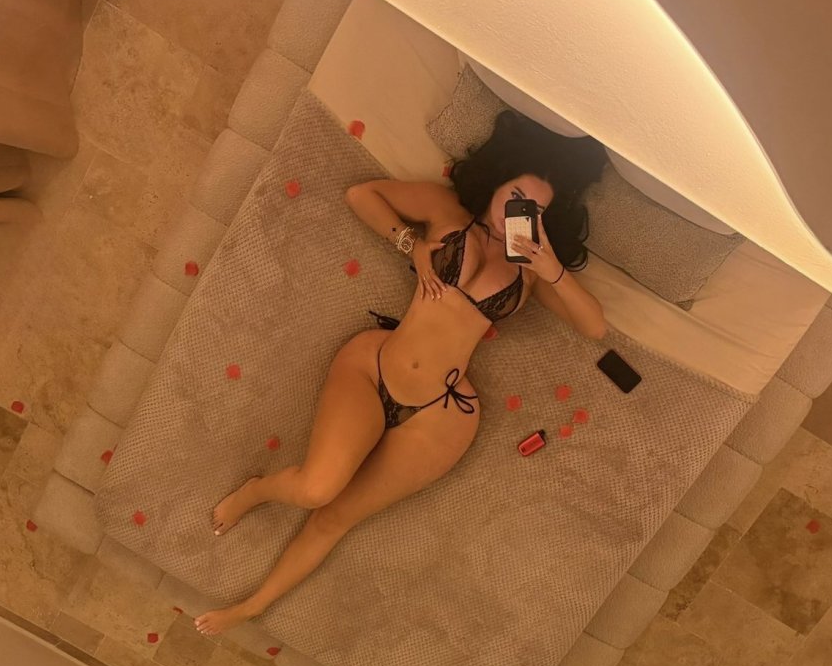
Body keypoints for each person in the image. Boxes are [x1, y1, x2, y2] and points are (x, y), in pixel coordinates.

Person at [193, 111, 609, 638]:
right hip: (376, 368)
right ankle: (256, 491)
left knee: (337, 518)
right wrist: (412, 247)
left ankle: (251, 607)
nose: (516, 215)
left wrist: (551, 267)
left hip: (443, 414)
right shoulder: (446, 212)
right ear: (499, 180)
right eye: (516, 197)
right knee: (316, 490)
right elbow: (362, 195)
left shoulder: (530, 272)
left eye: (533, 211)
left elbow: (594, 327)